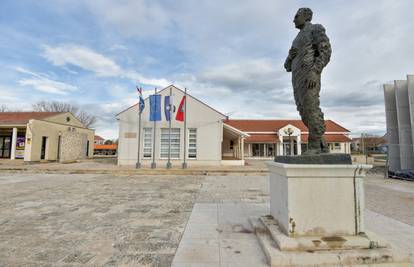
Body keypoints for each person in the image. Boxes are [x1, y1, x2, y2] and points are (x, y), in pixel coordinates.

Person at [284, 7, 331, 154]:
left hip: (310, 75)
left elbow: (325, 51)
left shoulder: (316, 29)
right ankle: (321, 142)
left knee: (311, 107)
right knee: (303, 111)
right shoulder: (296, 38)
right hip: (297, 79)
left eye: (296, 16)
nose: (294, 19)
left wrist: (315, 71)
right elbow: (287, 67)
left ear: (306, 16)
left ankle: (314, 145)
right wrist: (290, 57)